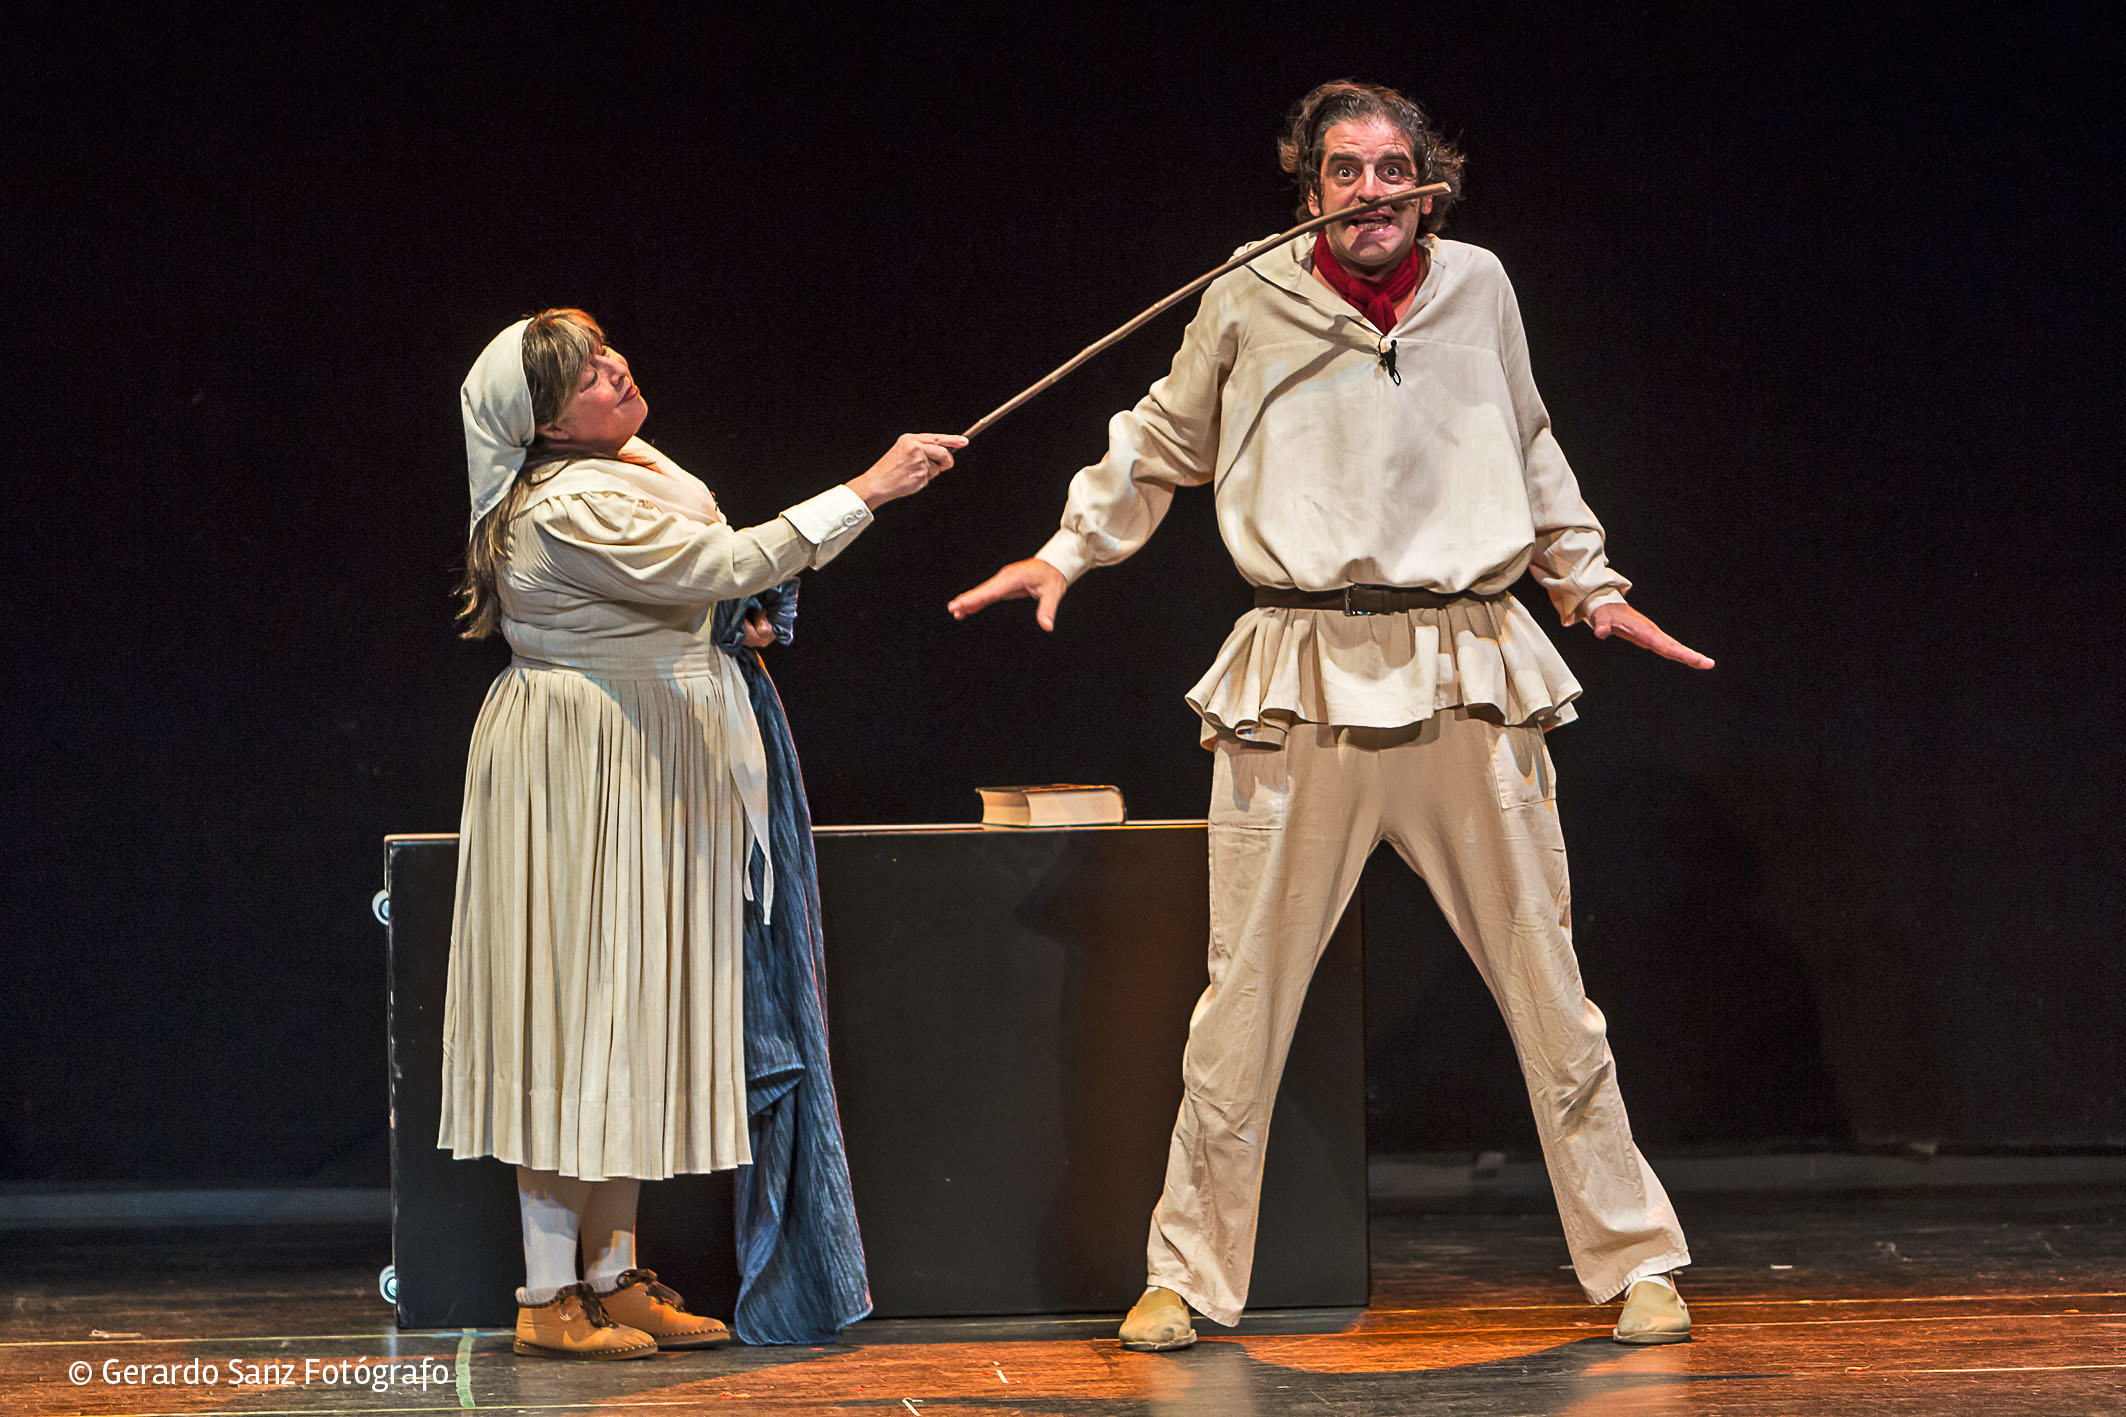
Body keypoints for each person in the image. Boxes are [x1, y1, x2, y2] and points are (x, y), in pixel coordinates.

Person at [949, 80, 1710, 1350]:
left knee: (1548, 987)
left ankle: (1635, 1258)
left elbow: (1527, 443)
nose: (1370, 189)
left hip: (1466, 664)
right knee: (1240, 996)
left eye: (1391, 167)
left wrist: (1587, 584)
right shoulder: (1247, 292)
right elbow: (1159, 438)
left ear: (1428, 184)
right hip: (1296, 671)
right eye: (1343, 170)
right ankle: (1186, 1274)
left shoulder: (1478, 285)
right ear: (1307, 193)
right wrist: (1067, 550)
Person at [443, 307, 963, 1359]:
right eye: (585, 375)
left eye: (604, 350)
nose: (614, 369)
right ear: (547, 427)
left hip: (643, 762)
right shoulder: (570, 503)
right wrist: (870, 487)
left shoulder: (622, 471)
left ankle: (612, 1275)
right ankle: (547, 1294)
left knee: (629, 1018)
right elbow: (722, 561)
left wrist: (735, 615)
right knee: (575, 1019)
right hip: (586, 767)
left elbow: (708, 576)